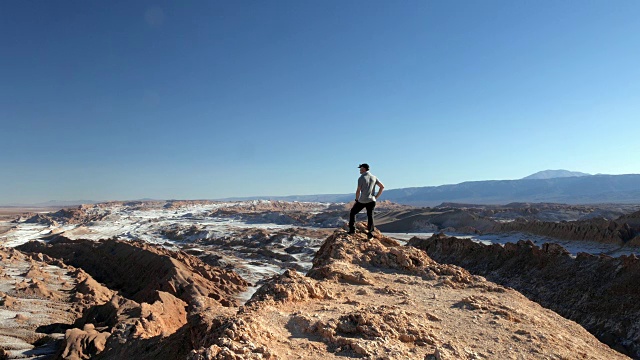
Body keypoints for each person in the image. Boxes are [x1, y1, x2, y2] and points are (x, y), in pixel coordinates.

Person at [348, 163, 384, 239]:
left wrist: (356, 200)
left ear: (364, 169)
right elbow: (382, 187)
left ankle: (352, 230)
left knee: (352, 212)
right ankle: (370, 234)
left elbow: (358, 191)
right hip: (372, 200)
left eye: (360, 168)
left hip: (363, 200)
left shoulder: (361, 178)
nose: (360, 170)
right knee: (370, 216)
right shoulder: (374, 177)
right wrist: (376, 197)